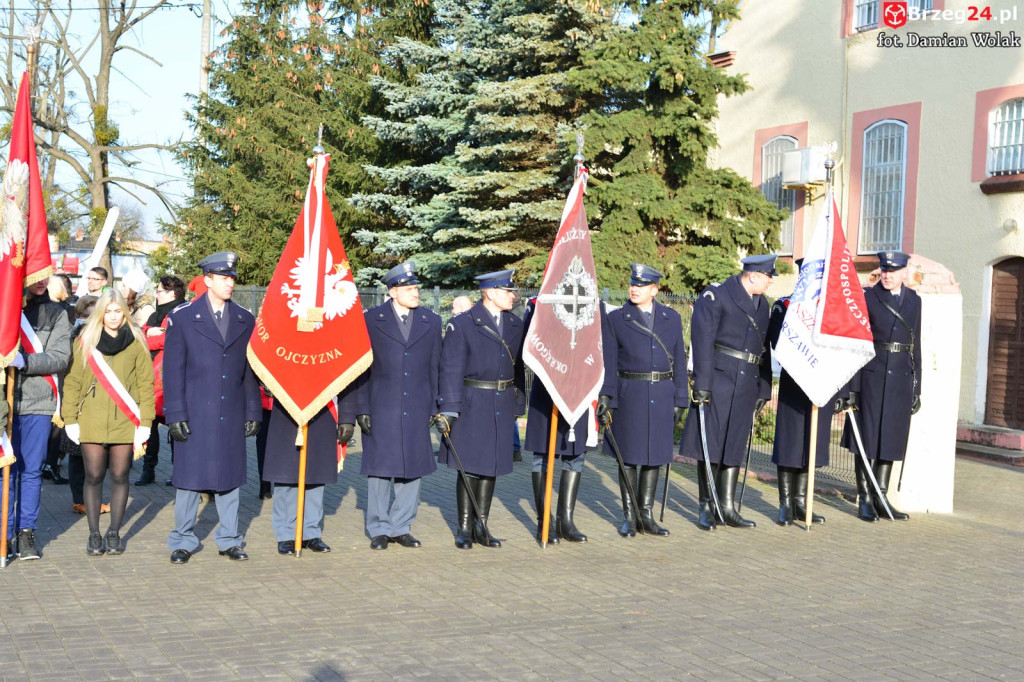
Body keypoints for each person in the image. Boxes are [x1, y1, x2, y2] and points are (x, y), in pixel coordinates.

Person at [163, 252, 261, 564]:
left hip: (230, 412)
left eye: (232, 278)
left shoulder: (245, 320)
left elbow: (248, 372)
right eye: (223, 278)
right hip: (194, 412)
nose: (230, 283)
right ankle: (182, 540)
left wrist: (253, 410)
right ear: (207, 280)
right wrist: (175, 413)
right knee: (189, 480)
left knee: (229, 478)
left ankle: (230, 539)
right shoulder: (183, 318)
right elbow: (173, 371)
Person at [342, 262, 441, 550]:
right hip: (380, 405)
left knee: (413, 467)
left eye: (417, 288)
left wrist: (437, 405)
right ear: (393, 291)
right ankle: (379, 528)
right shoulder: (371, 320)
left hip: (418, 405)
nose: (416, 293)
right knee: (381, 470)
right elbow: (359, 369)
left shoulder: (430, 321)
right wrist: (360, 408)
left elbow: (435, 366)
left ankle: (401, 526)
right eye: (409, 289)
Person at [680, 255, 776, 531]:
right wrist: (702, 384)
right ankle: (706, 506)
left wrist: (764, 387)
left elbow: (764, 349)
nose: (770, 282)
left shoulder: (763, 305)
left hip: (747, 382)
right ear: (754, 275)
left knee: (734, 444)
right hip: (719, 379)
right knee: (710, 444)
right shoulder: (716, 296)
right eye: (768, 277)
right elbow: (702, 341)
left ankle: (728, 507)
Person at [435, 269, 526, 549]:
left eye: (513, 291)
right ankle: (464, 527)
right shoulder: (463, 324)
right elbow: (450, 369)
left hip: (501, 402)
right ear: (489, 293)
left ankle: (482, 524)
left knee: (491, 467)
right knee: (470, 468)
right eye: (507, 291)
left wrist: (518, 400)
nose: (513, 296)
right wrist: (449, 409)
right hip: (472, 402)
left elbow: (518, 367)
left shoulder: (514, 324)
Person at [61, 290, 155, 555]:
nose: (113, 317)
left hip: (125, 420)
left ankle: (113, 532)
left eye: (118, 311)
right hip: (90, 419)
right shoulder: (85, 340)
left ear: (124, 313)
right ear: (101, 313)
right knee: (93, 476)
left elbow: (145, 385)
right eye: (108, 311)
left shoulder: (136, 341)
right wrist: (70, 419)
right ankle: (94, 534)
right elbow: (73, 381)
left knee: (120, 475)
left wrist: (145, 422)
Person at [598, 264, 687, 538]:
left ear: (654, 290)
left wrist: (680, 398)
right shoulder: (616, 319)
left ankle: (646, 515)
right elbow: (608, 362)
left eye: (641, 285)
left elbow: (680, 361)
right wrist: (606, 396)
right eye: (632, 284)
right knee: (628, 457)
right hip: (630, 394)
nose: (634, 289)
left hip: (661, 393)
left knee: (654, 457)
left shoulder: (671, 318)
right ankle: (630, 515)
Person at [765, 260, 848, 526]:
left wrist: (839, 390)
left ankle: (802, 502)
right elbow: (777, 343)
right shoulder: (785, 305)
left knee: (810, 446)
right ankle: (785, 504)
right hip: (794, 383)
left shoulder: (831, 310)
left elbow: (842, 349)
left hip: (820, 385)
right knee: (790, 443)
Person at [521, 298, 611, 544]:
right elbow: (527, 346)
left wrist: (605, 392)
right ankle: (544, 522)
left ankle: (565, 521)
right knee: (542, 456)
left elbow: (605, 348)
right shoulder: (540, 302)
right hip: (547, 392)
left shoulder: (594, 304)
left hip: (580, 390)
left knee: (575, 455)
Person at [842, 250, 921, 522]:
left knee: (890, 439)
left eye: (893, 271)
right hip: (871, 376)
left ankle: (881, 496)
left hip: (900, 377)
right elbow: (856, 345)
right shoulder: (867, 298)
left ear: (903, 273)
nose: (887, 275)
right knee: (867, 438)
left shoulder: (914, 301)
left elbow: (915, 346)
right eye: (884, 270)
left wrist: (916, 386)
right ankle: (864, 497)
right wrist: (851, 388)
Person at [7, 276, 72, 560]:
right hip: (4, 404)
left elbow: (60, 357)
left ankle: (25, 533)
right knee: (4, 473)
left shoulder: (57, 314)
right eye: (35, 274)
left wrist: (26, 361)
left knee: (31, 471)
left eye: (46, 274)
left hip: (38, 401)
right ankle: (4, 533)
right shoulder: (5, 307)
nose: (41, 280)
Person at [261, 399, 339, 555]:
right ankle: (286, 534)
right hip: (287, 410)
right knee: (286, 475)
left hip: (321, 410)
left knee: (316, 474)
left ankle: (311, 533)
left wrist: (348, 418)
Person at [135, 275, 188, 486]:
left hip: (171, 377)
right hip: (150, 375)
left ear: (173, 292)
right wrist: (147, 331)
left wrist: (148, 337)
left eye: (161, 291)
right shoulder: (156, 315)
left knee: (176, 424)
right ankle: (149, 469)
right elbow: (141, 335)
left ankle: (179, 471)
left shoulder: (181, 313)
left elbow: (170, 339)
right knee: (150, 424)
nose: (157, 294)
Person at [61, 296, 107, 516]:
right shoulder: (75, 335)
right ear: (79, 316)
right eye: (87, 315)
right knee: (78, 456)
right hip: (79, 401)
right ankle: (80, 499)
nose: (91, 319)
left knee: (96, 458)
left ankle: (90, 498)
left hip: (100, 402)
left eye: (94, 315)